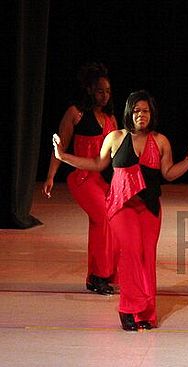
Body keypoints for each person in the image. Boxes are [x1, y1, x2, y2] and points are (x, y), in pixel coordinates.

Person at [53, 90, 188, 331]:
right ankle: (128, 309)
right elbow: (96, 164)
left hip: (150, 207)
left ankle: (145, 313)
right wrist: (63, 156)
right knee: (131, 252)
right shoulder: (114, 137)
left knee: (146, 257)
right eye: (136, 111)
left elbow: (169, 173)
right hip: (121, 206)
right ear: (128, 113)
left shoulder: (161, 141)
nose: (141, 115)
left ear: (152, 114)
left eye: (145, 111)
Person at [43, 62, 118, 295]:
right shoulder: (75, 113)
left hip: (102, 179)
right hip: (82, 178)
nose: (104, 96)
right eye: (99, 91)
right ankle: (99, 275)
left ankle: (96, 277)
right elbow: (61, 146)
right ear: (89, 89)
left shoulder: (110, 118)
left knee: (106, 222)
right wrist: (50, 176)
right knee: (103, 219)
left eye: (107, 91)